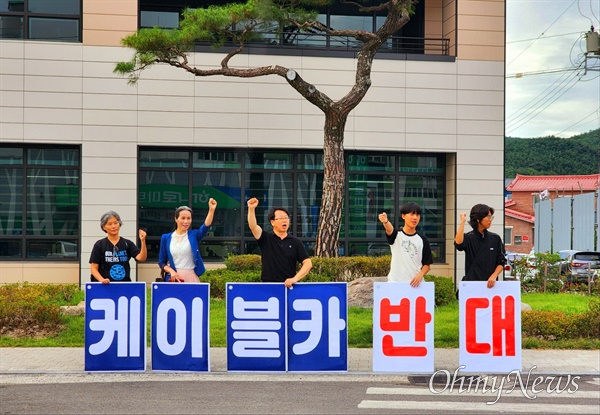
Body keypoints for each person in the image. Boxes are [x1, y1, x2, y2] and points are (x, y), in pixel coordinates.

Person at [247, 197, 312, 287]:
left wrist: (294, 279)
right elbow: (253, 226)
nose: (284, 220)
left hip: (288, 287)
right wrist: (251, 208)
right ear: (272, 222)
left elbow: (307, 263)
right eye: (281, 218)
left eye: (286, 218)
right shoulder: (266, 238)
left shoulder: (296, 242)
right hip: (268, 287)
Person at [158, 199, 217, 282]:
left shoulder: (194, 235)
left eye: (188, 218)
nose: (186, 221)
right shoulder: (166, 238)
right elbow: (161, 262)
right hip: (175, 278)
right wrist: (171, 271)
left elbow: (205, 227)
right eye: (183, 218)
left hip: (191, 277)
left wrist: (211, 210)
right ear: (176, 219)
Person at [378, 202, 433, 287]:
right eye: (412, 214)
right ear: (403, 216)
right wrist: (385, 222)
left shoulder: (422, 240)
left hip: (416, 285)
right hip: (395, 283)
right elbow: (389, 230)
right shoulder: (396, 235)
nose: (415, 217)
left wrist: (421, 274)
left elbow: (427, 264)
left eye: (418, 215)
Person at [454, 203, 506, 289]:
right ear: (478, 219)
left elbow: (501, 261)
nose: (490, 220)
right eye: (488, 217)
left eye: (491, 217)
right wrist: (462, 222)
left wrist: (494, 276)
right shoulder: (468, 237)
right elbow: (459, 244)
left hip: (490, 286)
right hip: (472, 286)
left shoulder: (495, 238)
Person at [90, 211, 147, 284]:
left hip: (124, 285)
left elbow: (141, 258)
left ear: (119, 224)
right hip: (105, 286)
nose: (113, 226)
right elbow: (94, 268)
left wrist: (143, 241)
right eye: (110, 224)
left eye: (116, 223)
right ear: (104, 227)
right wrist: (102, 280)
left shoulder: (127, 243)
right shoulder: (99, 244)